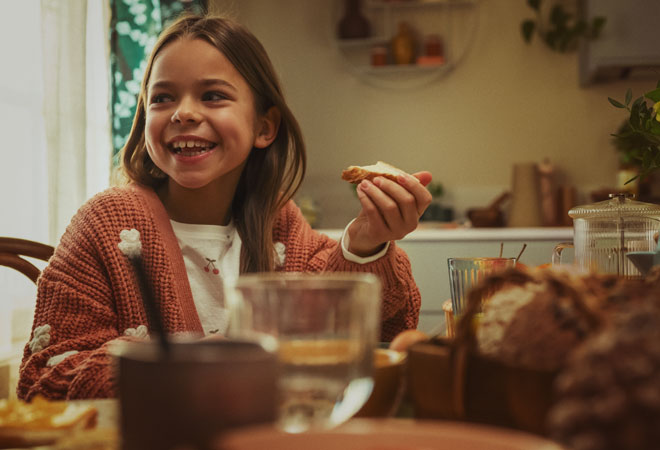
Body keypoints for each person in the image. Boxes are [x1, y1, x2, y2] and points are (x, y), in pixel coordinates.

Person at [18, 14, 432, 400]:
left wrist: (365, 245)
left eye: (213, 95)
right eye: (162, 98)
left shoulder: (281, 226)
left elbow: (375, 336)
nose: (183, 112)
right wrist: (186, 362)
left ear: (264, 127)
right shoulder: (104, 225)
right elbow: (44, 379)